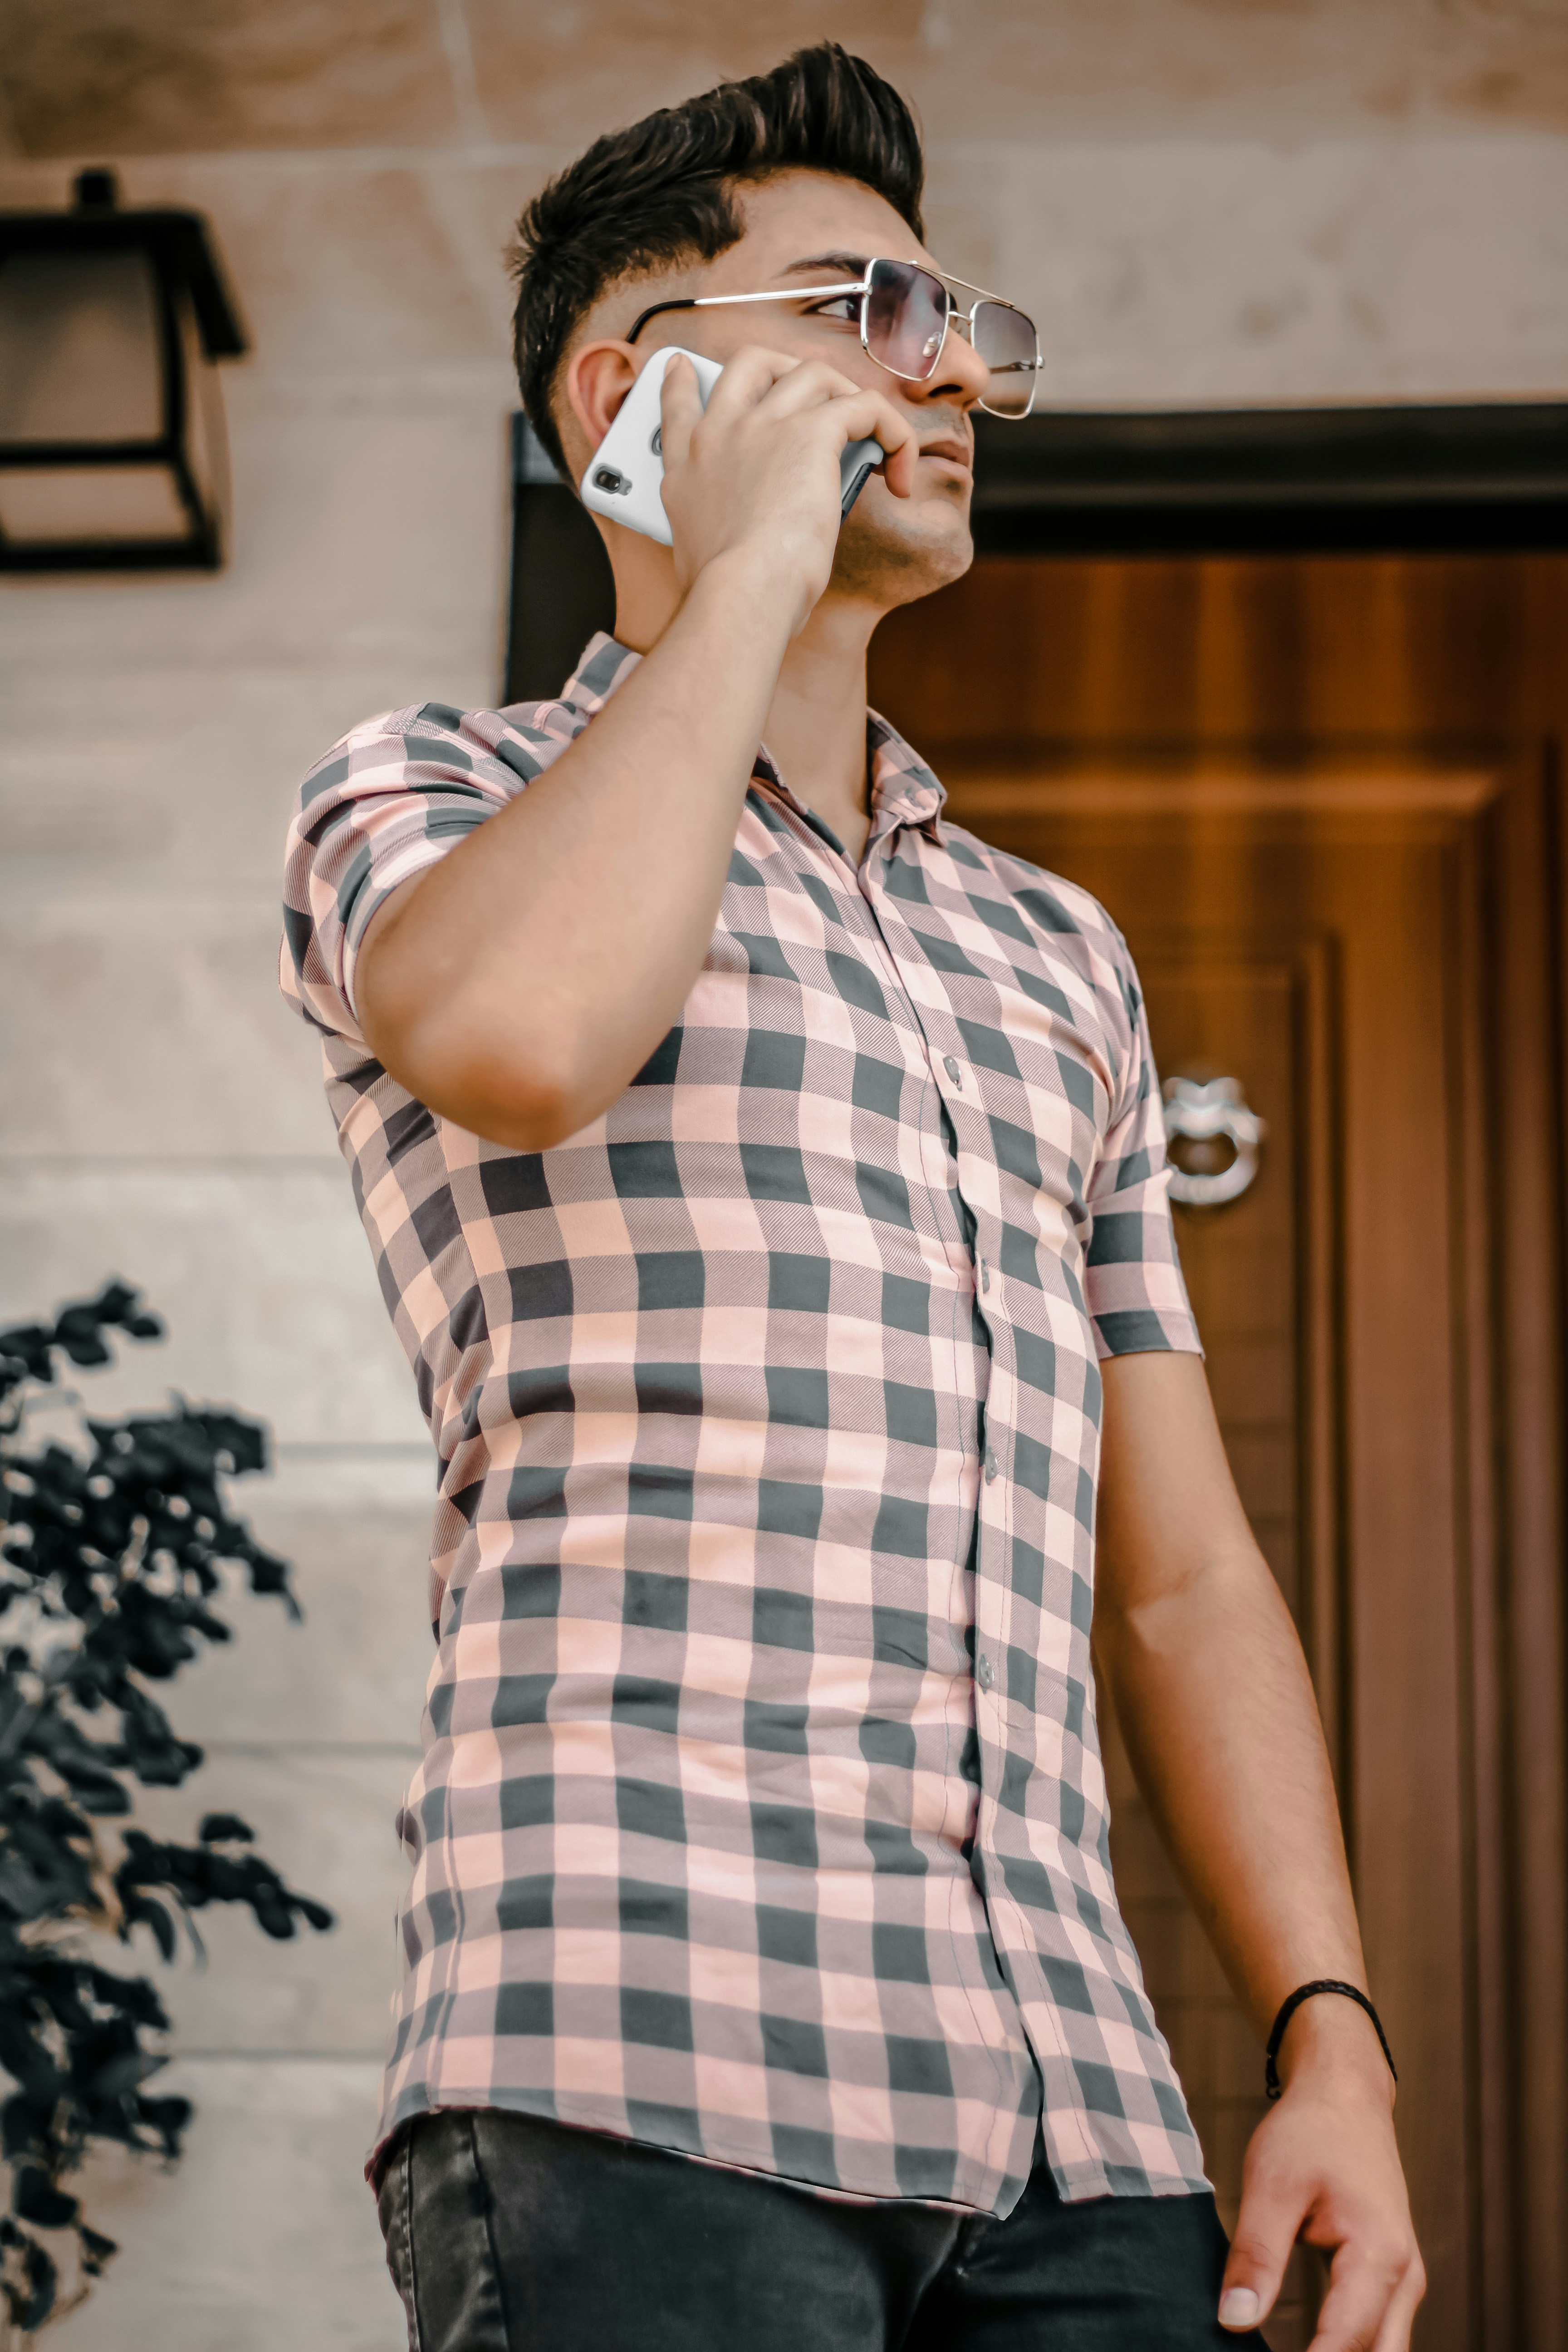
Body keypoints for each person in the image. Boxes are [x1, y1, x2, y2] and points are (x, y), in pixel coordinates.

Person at [280, 42, 1423, 2352]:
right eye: (857, 314)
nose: (948, 381)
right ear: (626, 395)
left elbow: (1186, 1576)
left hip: (1075, 2121)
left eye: (958, 328)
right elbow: (515, 1038)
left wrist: (1330, 2026)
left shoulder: (1054, 951)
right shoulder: (430, 791)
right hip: (637, 2065)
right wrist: (749, 562)